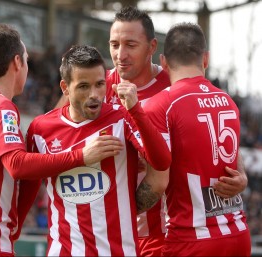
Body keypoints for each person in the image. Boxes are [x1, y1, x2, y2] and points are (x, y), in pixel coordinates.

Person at [54, 6, 248, 256]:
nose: (120, 55)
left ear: (152, 47)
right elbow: (58, 128)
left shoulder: (174, 87)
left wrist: (240, 174)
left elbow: (217, 132)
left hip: (163, 233)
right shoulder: (96, 85)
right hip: (111, 229)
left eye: (130, 45)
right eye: (114, 44)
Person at [0, 24, 126, 257]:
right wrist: (81, 155)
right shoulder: (0, 107)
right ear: (17, 62)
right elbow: (17, 165)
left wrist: (17, 223)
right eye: (27, 60)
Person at [26, 45, 170, 256]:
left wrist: (136, 110)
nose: (94, 95)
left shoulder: (122, 117)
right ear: (65, 87)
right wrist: (82, 156)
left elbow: (161, 161)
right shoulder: (41, 129)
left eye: (100, 84)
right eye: (84, 86)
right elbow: (24, 174)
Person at [129, 22, 251, 256]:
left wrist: (119, 210)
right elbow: (233, 154)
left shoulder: (160, 106)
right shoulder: (228, 101)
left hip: (192, 238)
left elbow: (157, 183)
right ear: (205, 59)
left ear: (163, 62)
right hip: (238, 234)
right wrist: (242, 176)